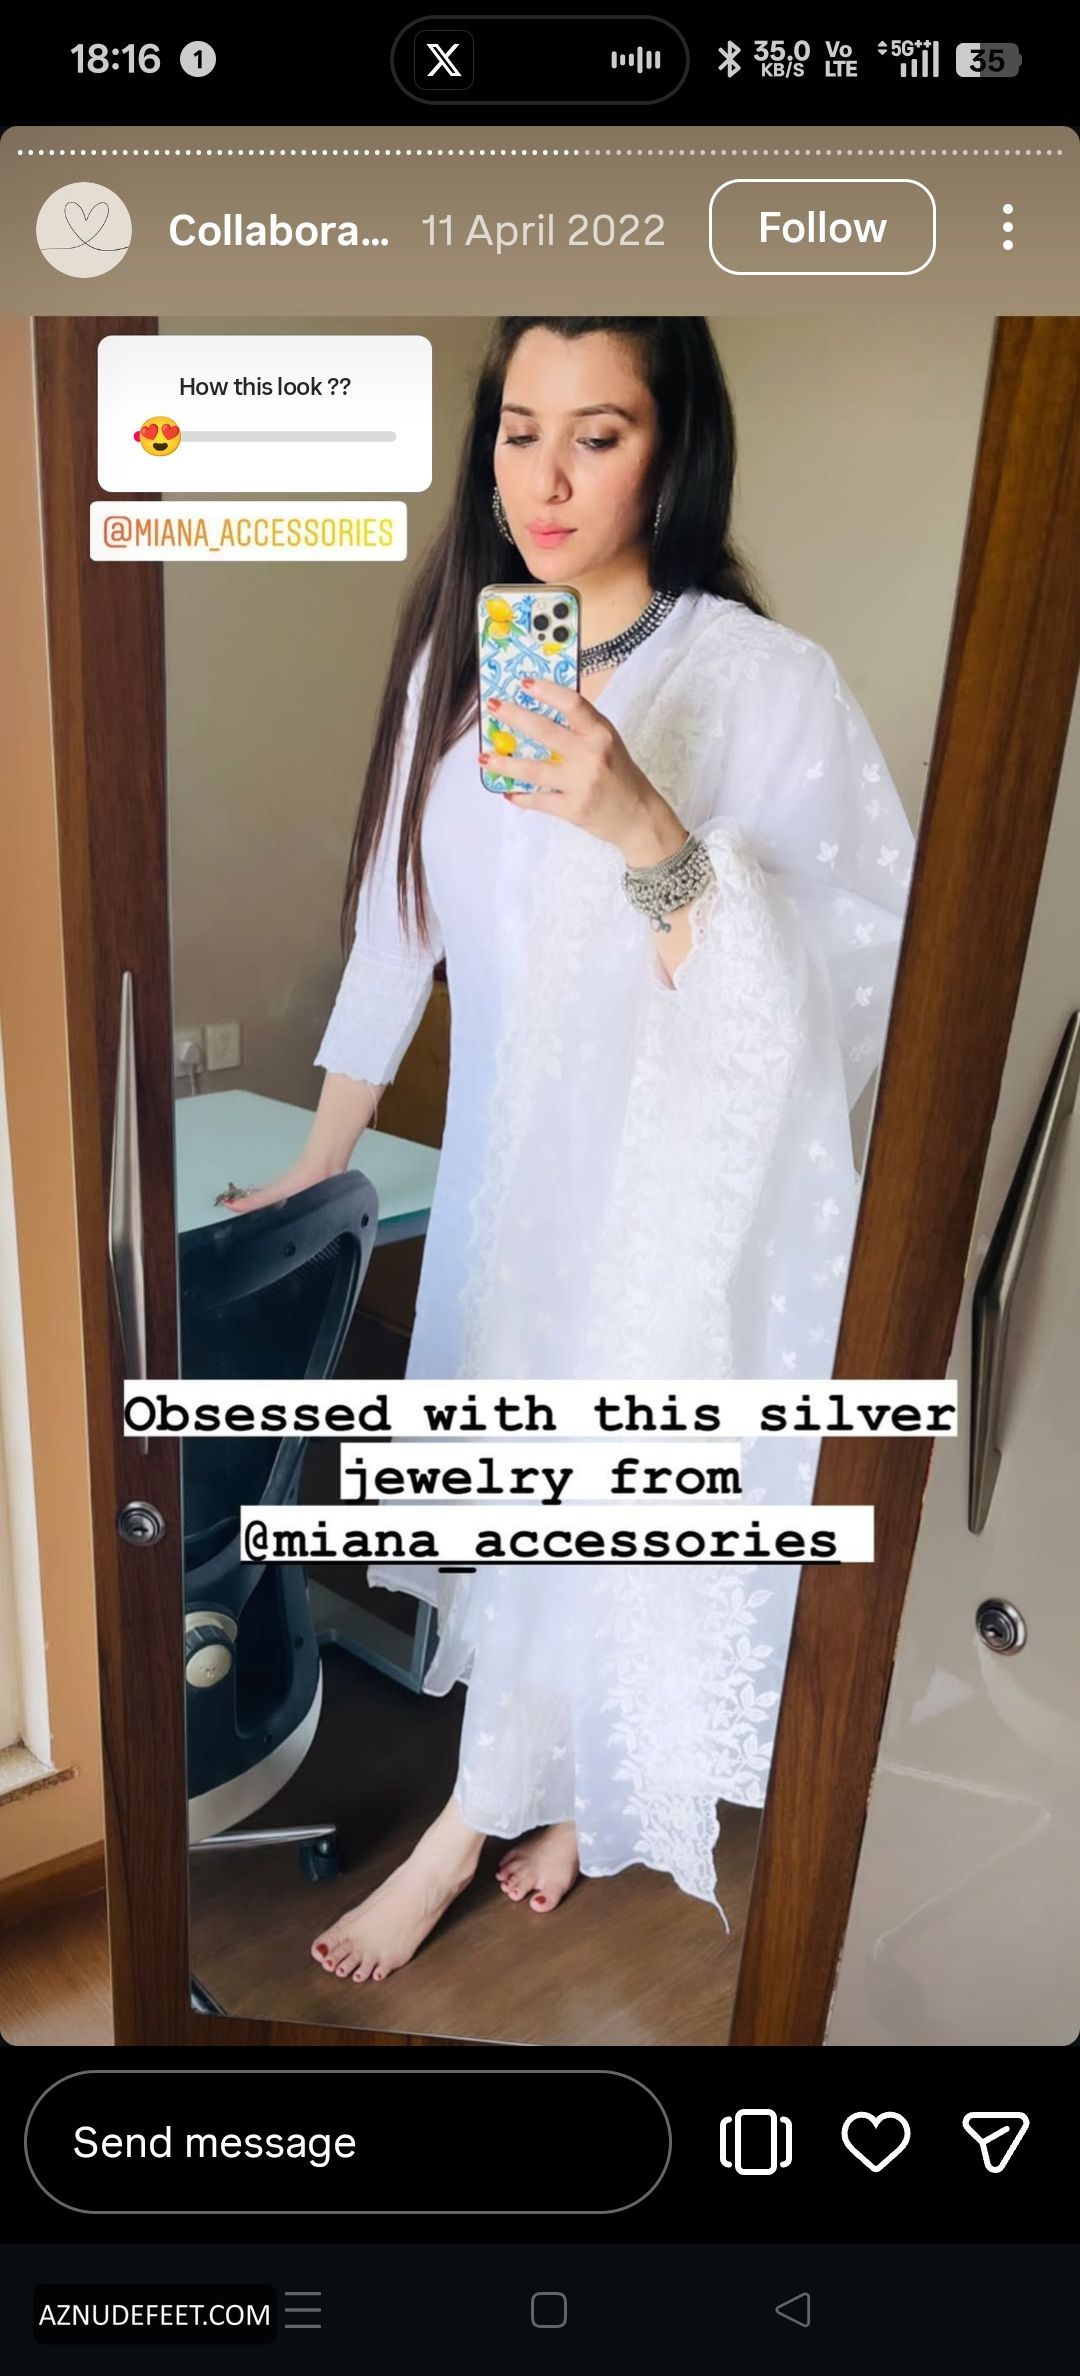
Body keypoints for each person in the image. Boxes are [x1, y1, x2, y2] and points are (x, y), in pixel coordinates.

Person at [226, 316, 916, 1988]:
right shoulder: (461, 668)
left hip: (654, 1198)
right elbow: (398, 934)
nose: (544, 478)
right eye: (517, 430)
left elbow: (838, 994)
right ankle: (571, 1788)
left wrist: (639, 821)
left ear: (673, 452)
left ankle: (461, 1834)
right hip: (504, 1182)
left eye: (596, 435)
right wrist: (321, 1163)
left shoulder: (763, 684)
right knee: (531, 1514)